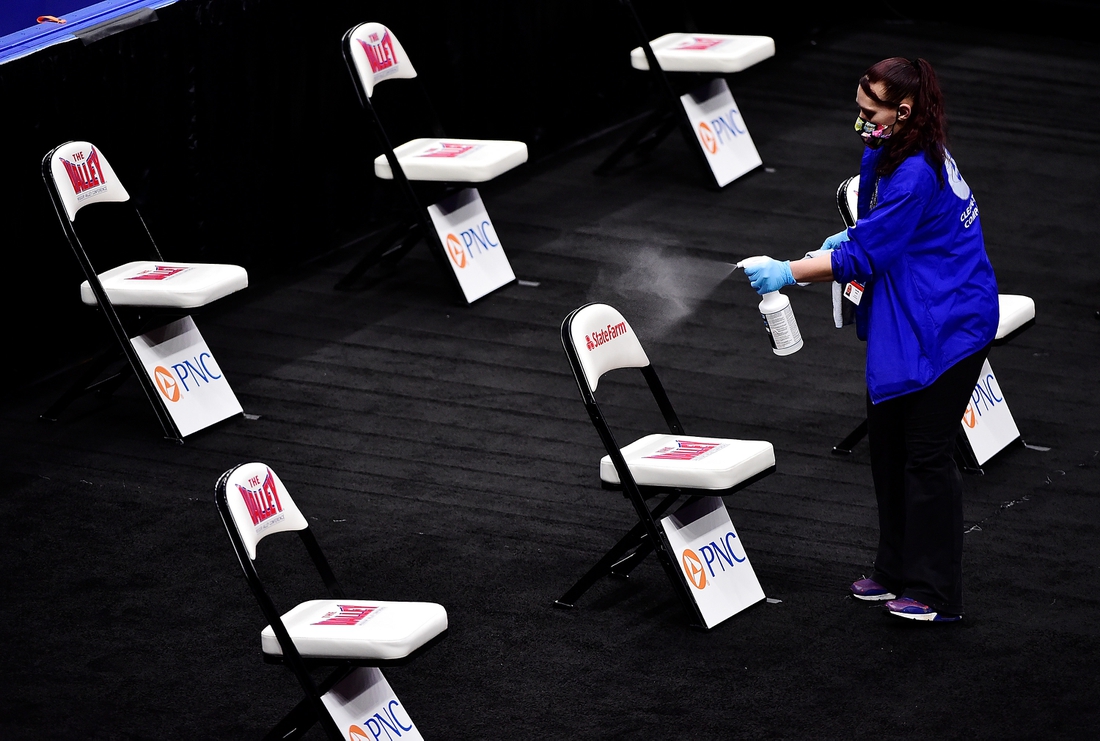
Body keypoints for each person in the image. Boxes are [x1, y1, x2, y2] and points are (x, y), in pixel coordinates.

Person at [741, 57, 999, 623]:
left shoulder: (914, 172)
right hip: (913, 312)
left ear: (902, 112)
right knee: (888, 448)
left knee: (927, 459)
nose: (859, 120)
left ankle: (936, 593)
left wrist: (790, 270)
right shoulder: (895, 148)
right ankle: (893, 570)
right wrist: (855, 232)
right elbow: (876, 229)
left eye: (869, 111)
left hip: (948, 322)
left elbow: (863, 257)